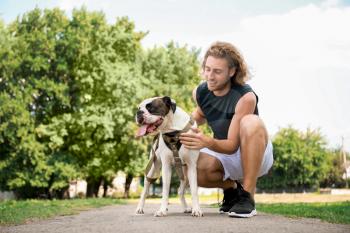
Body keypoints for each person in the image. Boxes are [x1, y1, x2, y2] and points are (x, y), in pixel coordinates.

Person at [179, 41, 273, 218]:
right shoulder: (200, 92)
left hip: (252, 151)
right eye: (207, 69)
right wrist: (179, 129)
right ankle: (232, 190)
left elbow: (231, 145)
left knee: (251, 122)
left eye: (217, 71)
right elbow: (200, 114)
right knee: (189, 169)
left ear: (232, 72)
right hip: (223, 151)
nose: (210, 76)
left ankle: (247, 197)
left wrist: (206, 141)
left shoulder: (245, 97)